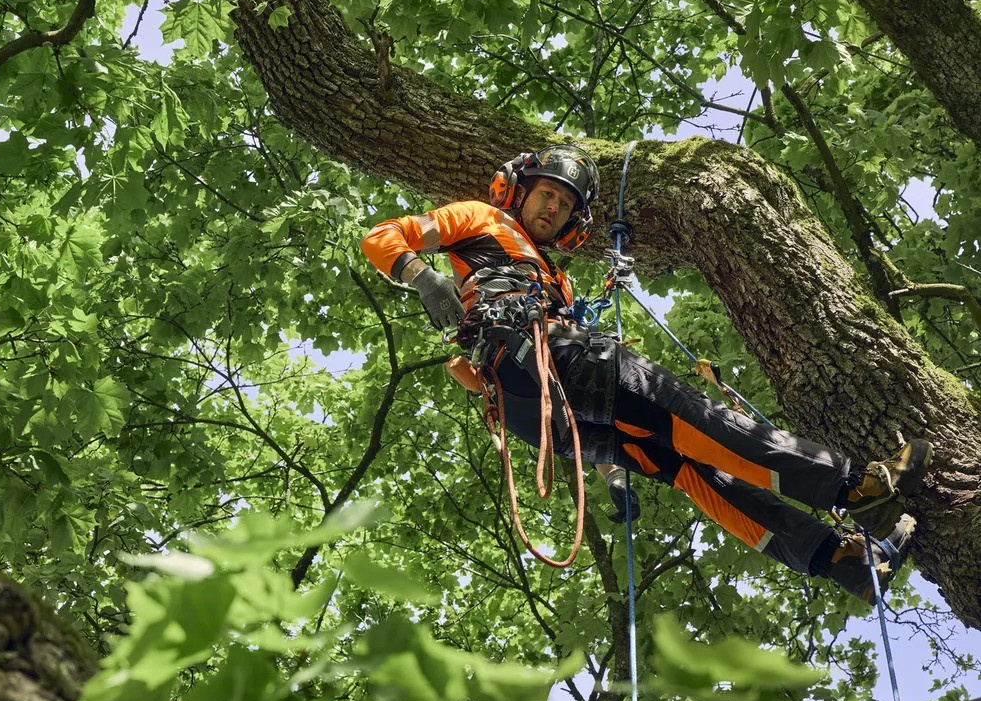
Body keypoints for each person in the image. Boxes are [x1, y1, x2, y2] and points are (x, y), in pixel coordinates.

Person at [359, 145, 932, 604]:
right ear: (520, 190)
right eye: (547, 194)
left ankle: (836, 560)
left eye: (564, 204)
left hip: (543, 410)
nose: (553, 208)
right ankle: (852, 485)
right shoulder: (481, 219)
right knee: (695, 416)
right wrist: (422, 275)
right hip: (546, 364)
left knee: (689, 469)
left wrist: (609, 470)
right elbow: (382, 236)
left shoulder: (554, 281)